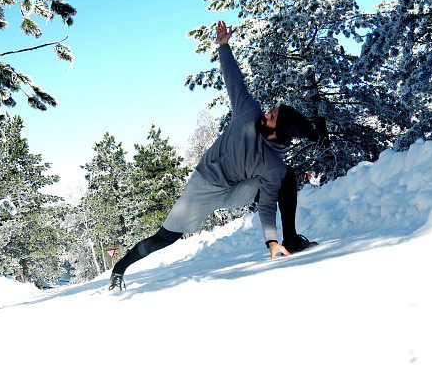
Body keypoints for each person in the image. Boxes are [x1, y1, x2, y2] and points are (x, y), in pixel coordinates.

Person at [107, 20, 318, 292]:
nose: (266, 114)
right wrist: (223, 46)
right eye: (271, 111)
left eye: (272, 116)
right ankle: (119, 269)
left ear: (277, 132)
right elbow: (235, 79)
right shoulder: (247, 114)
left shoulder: (272, 165)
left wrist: (271, 240)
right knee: (166, 237)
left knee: (286, 176)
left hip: (234, 189)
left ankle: (289, 240)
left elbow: (266, 205)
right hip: (203, 186)